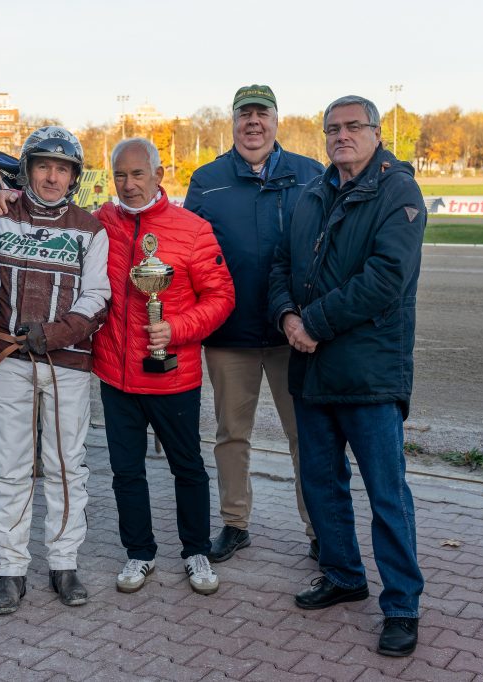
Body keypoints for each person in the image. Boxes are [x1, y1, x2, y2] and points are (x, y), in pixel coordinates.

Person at [267, 95, 426, 657]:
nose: (341, 135)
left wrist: (311, 321)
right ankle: (342, 574)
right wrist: (287, 315)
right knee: (321, 481)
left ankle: (402, 605)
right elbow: (282, 263)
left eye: (352, 126)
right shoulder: (313, 193)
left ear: (376, 132)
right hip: (311, 369)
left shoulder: (397, 190)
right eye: (332, 128)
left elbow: (386, 278)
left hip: (369, 373)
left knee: (386, 492)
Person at [0, 126, 110, 615]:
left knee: (65, 468)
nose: (52, 177)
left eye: (62, 169)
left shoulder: (90, 229)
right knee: (10, 470)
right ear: (28, 170)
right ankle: (11, 570)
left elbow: (98, 298)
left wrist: (55, 334)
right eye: (43, 166)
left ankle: (63, 563)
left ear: (74, 175)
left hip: (67, 365)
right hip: (8, 361)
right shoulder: (0, 218)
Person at [184, 85, 325, 564]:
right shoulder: (207, 180)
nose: (253, 123)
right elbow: (189, 254)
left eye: (261, 114)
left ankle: (319, 529)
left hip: (296, 335)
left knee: (305, 437)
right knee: (231, 434)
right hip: (230, 336)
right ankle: (235, 523)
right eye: (244, 114)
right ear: (233, 122)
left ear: (276, 120)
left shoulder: (310, 174)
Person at [93, 139, 234, 595]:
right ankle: (139, 553)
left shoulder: (192, 229)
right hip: (116, 375)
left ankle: (196, 550)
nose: (129, 184)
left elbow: (221, 297)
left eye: (138, 174)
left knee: (187, 466)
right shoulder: (100, 224)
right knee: (125, 471)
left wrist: (175, 328)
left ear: (158, 175)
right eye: (120, 175)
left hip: (173, 374)